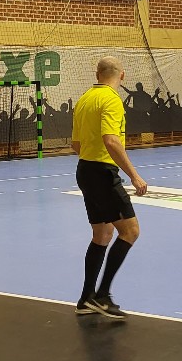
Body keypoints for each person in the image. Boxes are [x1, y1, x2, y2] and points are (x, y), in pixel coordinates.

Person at [71, 56, 148, 319]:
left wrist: (92, 161)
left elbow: (76, 145)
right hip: (103, 173)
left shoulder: (84, 99)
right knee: (130, 231)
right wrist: (134, 176)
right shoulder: (112, 100)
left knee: (102, 234)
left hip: (85, 170)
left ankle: (86, 299)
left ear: (97, 74)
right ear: (122, 75)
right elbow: (111, 141)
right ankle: (103, 296)